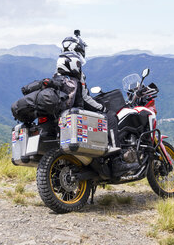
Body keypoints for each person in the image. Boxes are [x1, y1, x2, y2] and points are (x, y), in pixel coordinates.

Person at [57, 30, 139, 177]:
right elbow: (84, 96)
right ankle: (117, 162)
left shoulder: (59, 70)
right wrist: (102, 107)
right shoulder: (75, 67)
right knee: (111, 117)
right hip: (78, 109)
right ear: (77, 49)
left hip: (65, 111)